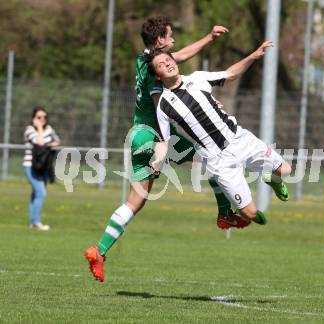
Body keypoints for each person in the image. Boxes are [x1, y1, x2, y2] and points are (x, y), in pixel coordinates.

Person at [84, 16, 248, 283]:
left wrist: (208, 37)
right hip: (152, 136)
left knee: (134, 203)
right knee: (211, 154)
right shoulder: (156, 74)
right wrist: (163, 149)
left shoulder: (144, 58)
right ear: (160, 41)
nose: (174, 42)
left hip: (137, 135)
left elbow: (179, 55)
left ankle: (99, 251)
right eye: (170, 36)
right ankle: (224, 213)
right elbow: (161, 105)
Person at [149, 41, 292, 225]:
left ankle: (270, 178)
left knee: (286, 170)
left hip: (239, 140)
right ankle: (238, 213)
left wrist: (253, 56)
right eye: (161, 64)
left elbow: (230, 74)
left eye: (168, 59)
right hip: (218, 160)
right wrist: (157, 161)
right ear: (158, 76)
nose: (167, 64)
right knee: (249, 213)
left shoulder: (198, 78)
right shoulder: (163, 105)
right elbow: (164, 141)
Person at [23, 106, 60, 231]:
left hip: (44, 166)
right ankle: (36, 222)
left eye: (44, 117)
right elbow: (39, 142)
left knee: (35, 194)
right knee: (41, 193)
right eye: (39, 117)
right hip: (31, 166)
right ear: (34, 118)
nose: (42, 119)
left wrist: (48, 143)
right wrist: (39, 127)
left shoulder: (49, 129)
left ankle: (32, 222)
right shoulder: (29, 129)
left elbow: (57, 140)